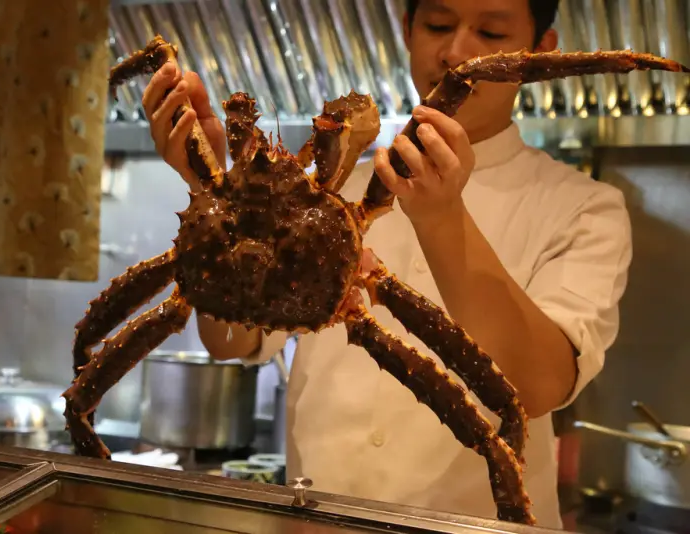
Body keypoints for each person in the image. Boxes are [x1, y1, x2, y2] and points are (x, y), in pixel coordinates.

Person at [140, 0, 632, 528]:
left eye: (490, 31)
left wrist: (443, 219)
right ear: (406, 28)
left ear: (540, 52)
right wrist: (218, 206)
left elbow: (536, 389)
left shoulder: (584, 206)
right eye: (438, 25)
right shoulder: (332, 191)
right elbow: (234, 342)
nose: (456, 52)